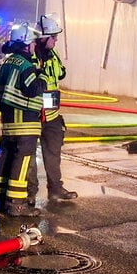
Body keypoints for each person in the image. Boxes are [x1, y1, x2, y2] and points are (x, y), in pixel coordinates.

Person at [0, 22, 47, 217]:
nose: (34, 47)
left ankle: (1, 200)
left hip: (8, 123)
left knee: (7, 158)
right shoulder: (25, 65)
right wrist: (42, 76)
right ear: (26, 44)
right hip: (25, 123)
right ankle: (16, 204)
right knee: (22, 162)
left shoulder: (4, 62)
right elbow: (33, 90)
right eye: (33, 43)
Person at [28, 13, 77, 204]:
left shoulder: (53, 54)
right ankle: (29, 193)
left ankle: (55, 189)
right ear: (43, 37)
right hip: (32, 113)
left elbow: (61, 73)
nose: (56, 40)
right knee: (28, 155)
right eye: (53, 37)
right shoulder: (30, 54)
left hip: (52, 113)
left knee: (54, 152)